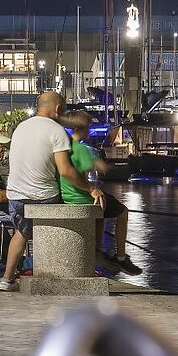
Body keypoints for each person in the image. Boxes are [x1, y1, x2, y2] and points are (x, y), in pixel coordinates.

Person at [0, 91, 96, 292]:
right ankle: (63, 270)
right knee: (67, 214)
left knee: (21, 232)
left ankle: (6, 279)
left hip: (15, 196)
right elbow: (66, 171)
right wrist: (91, 189)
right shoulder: (57, 131)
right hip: (44, 197)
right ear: (58, 108)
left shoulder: (20, 128)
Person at [57, 107, 136, 273]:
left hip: (66, 195)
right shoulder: (82, 149)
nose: (90, 132)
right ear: (83, 129)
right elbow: (90, 175)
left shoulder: (63, 147)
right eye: (89, 128)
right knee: (122, 212)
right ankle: (120, 256)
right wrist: (101, 167)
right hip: (81, 198)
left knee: (102, 208)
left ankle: (98, 249)